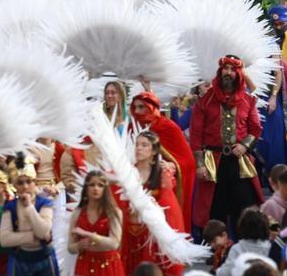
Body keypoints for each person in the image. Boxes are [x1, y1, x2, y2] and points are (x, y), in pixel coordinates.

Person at [190, 55, 263, 234]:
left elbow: (255, 129)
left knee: (244, 204)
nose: (228, 73)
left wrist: (245, 146)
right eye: (225, 69)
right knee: (215, 207)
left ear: (238, 73)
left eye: (232, 69)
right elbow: (196, 134)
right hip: (213, 162)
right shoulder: (205, 100)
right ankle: (216, 248)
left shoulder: (248, 100)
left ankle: (246, 244)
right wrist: (200, 164)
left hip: (239, 161)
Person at [128, 91, 195, 232]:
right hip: (136, 182)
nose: (137, 111)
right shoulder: (131, 128)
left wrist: (173, 165)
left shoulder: (167, 127)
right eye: (135, 107)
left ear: (151, 107)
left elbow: (188, 161)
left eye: (142, 107)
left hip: (161, 184)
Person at [120, 131, 184, 275]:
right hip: (130, 230)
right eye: (137, 145)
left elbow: (169, 208)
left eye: (144, 145)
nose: (138, 148)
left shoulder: (162, 175)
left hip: (152, 234)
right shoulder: (128, 172)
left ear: (154, 150)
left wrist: (152, 207)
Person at [0, 157, 58, 275]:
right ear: (14, 185)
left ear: (34, 182)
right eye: (20, 183)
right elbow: (4, 239)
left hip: (44, 260)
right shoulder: (10, 207)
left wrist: (29, 207)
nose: (25, 187)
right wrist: (31, 236)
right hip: (20, 261)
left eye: (29, 182)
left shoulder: (45, 203)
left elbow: (43, 232)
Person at [68, 170, 123, 276]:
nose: (96, 188)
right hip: (85, 265)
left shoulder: (113, 212)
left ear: (105, 189)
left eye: (100, 185)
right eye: (92, 185)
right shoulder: (77, 213)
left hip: (109, 267)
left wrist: (88, 235)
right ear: (86, 188)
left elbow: (114, 243)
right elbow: (70, 248)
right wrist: (79, 245)